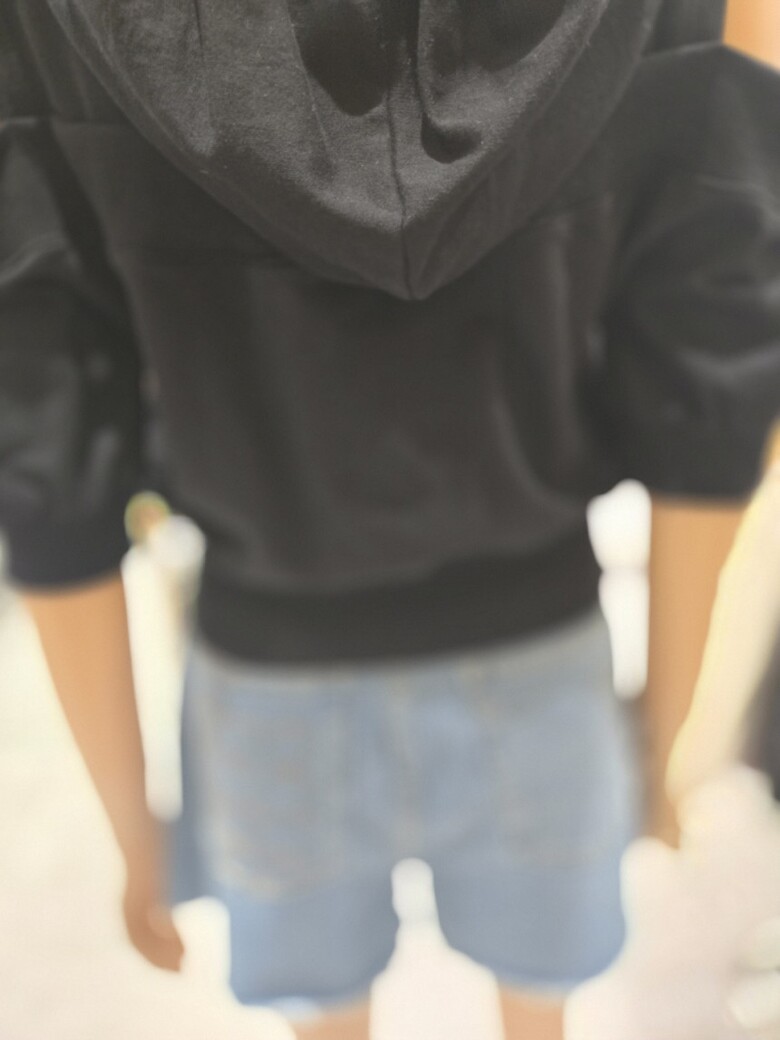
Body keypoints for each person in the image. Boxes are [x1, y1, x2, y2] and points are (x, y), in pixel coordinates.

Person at [2, 2, 780, 1039]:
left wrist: (129, 820)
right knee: (540, 1022)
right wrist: (667, 730)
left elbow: (49, 436)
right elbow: (708, 373)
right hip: (540, 660)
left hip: (268, 684)